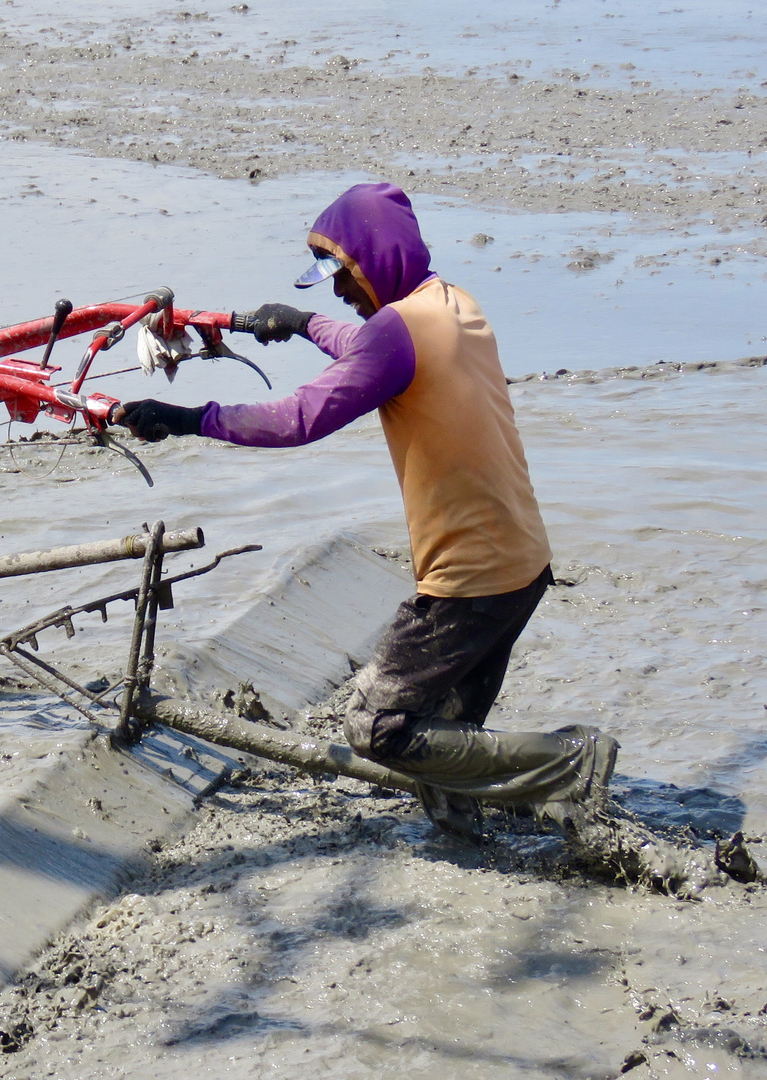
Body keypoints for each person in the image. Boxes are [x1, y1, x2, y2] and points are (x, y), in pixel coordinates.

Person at [111, 182, 617, 841]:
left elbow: (298, 419)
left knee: (377, 727)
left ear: (376, 260)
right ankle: (481, 836)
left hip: (468, 581)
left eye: (343, 276)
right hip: (521, 563)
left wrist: (189, 418)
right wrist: (299, 324)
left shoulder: (394, 333)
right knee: (449, 740)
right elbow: (375, 349)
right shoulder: (451, 305)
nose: (338, 292)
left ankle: (571, 765)